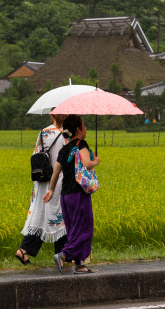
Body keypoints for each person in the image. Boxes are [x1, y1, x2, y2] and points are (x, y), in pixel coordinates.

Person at [43, 114, 100, 274]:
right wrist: (96, 161)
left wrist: (51, 190)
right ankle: (63, 254)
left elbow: (55, 172)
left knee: (74, 230)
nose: (86, 128)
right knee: (86, 229)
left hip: (65, 196)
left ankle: (80, 265)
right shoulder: (81, 144)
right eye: (84, 125)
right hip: (78, 194)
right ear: (78, 129)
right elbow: (88, 164)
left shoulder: (65, 148)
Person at [15, 113, 68, 265]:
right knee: (60, 216)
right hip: (57, 181)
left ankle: (24, 250)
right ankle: (62, 255)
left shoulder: (43, 132)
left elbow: (36, 154)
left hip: (41, 180)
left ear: (52, 115)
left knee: (40, 215)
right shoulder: (66, 135)